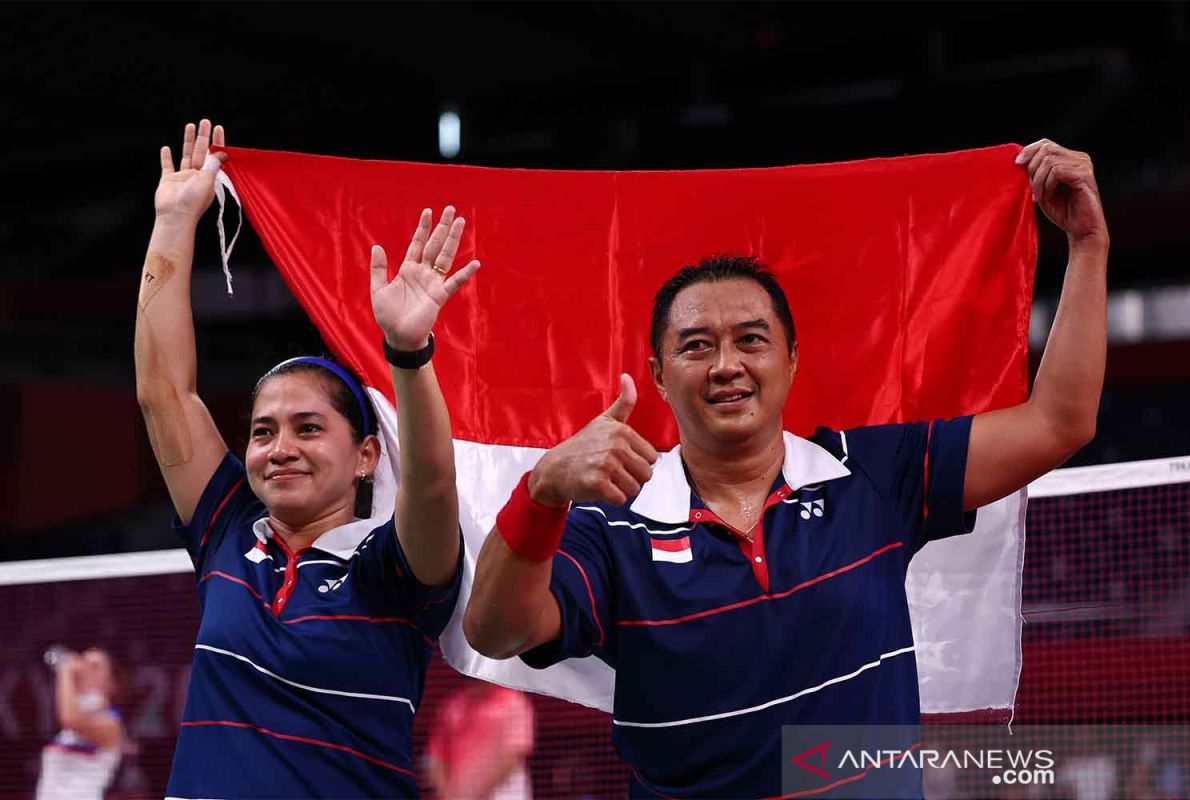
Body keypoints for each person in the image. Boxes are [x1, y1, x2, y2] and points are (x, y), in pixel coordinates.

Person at [464, 139, 1108, 797]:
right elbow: (495, 629)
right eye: (696, 347)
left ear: (792, 360)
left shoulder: (872, 475)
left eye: (751, 339)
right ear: (659, 377)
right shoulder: (612, 525)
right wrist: (541, 492)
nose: (726, 365)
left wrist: (1087, 248)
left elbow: (1060, 422)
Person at [135, 119, 480, 798]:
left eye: (308, 428)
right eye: (263, 432)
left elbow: (434, 485)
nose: (279, 449)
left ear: (366, 457)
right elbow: (162, 394)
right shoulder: (230, 536)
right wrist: (174, 222)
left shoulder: (393, 568)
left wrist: (408, 355)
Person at [36, 648, 124, 800]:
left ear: (112, 683)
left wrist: (65, 672)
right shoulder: (67, 733)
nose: (84, 670)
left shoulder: (111, 724)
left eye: (94, 667)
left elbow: (70, 719)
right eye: (83, 663)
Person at [426, 681, 535, 800]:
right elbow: (436, 756)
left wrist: (478, 794)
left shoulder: (513, 702)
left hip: (503, 793)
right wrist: (446, 795)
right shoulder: (454, 704)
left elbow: (512, 755)